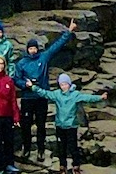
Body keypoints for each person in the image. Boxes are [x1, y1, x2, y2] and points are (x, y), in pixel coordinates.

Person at [12, 19, 77, 160]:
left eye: (35, 48)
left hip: (41, 97)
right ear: (27, 49)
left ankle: (41, 150)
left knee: (41, 125)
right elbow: (16, 79)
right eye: (30, 48)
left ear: (37, 49)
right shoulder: (22, 63)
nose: (33, 51)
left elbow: (56, 46)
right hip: (27, 98)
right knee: (26, 125)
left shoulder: (44, 57)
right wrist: (25, 84)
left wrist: (69, 31)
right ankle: (27, 148)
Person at [34, 72, 103, 174]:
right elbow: (45, 93)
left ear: (69, 84)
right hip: (60, 126)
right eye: (62, 84)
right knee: (61, 148)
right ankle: (63, 168)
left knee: (73, 147)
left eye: (66, 84)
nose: (64, 86)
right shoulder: (57, 94)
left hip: (71, 126)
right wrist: (33, 88)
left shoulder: (75, 95)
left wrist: (100, 97)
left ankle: (76, 167)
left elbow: (88, 98)